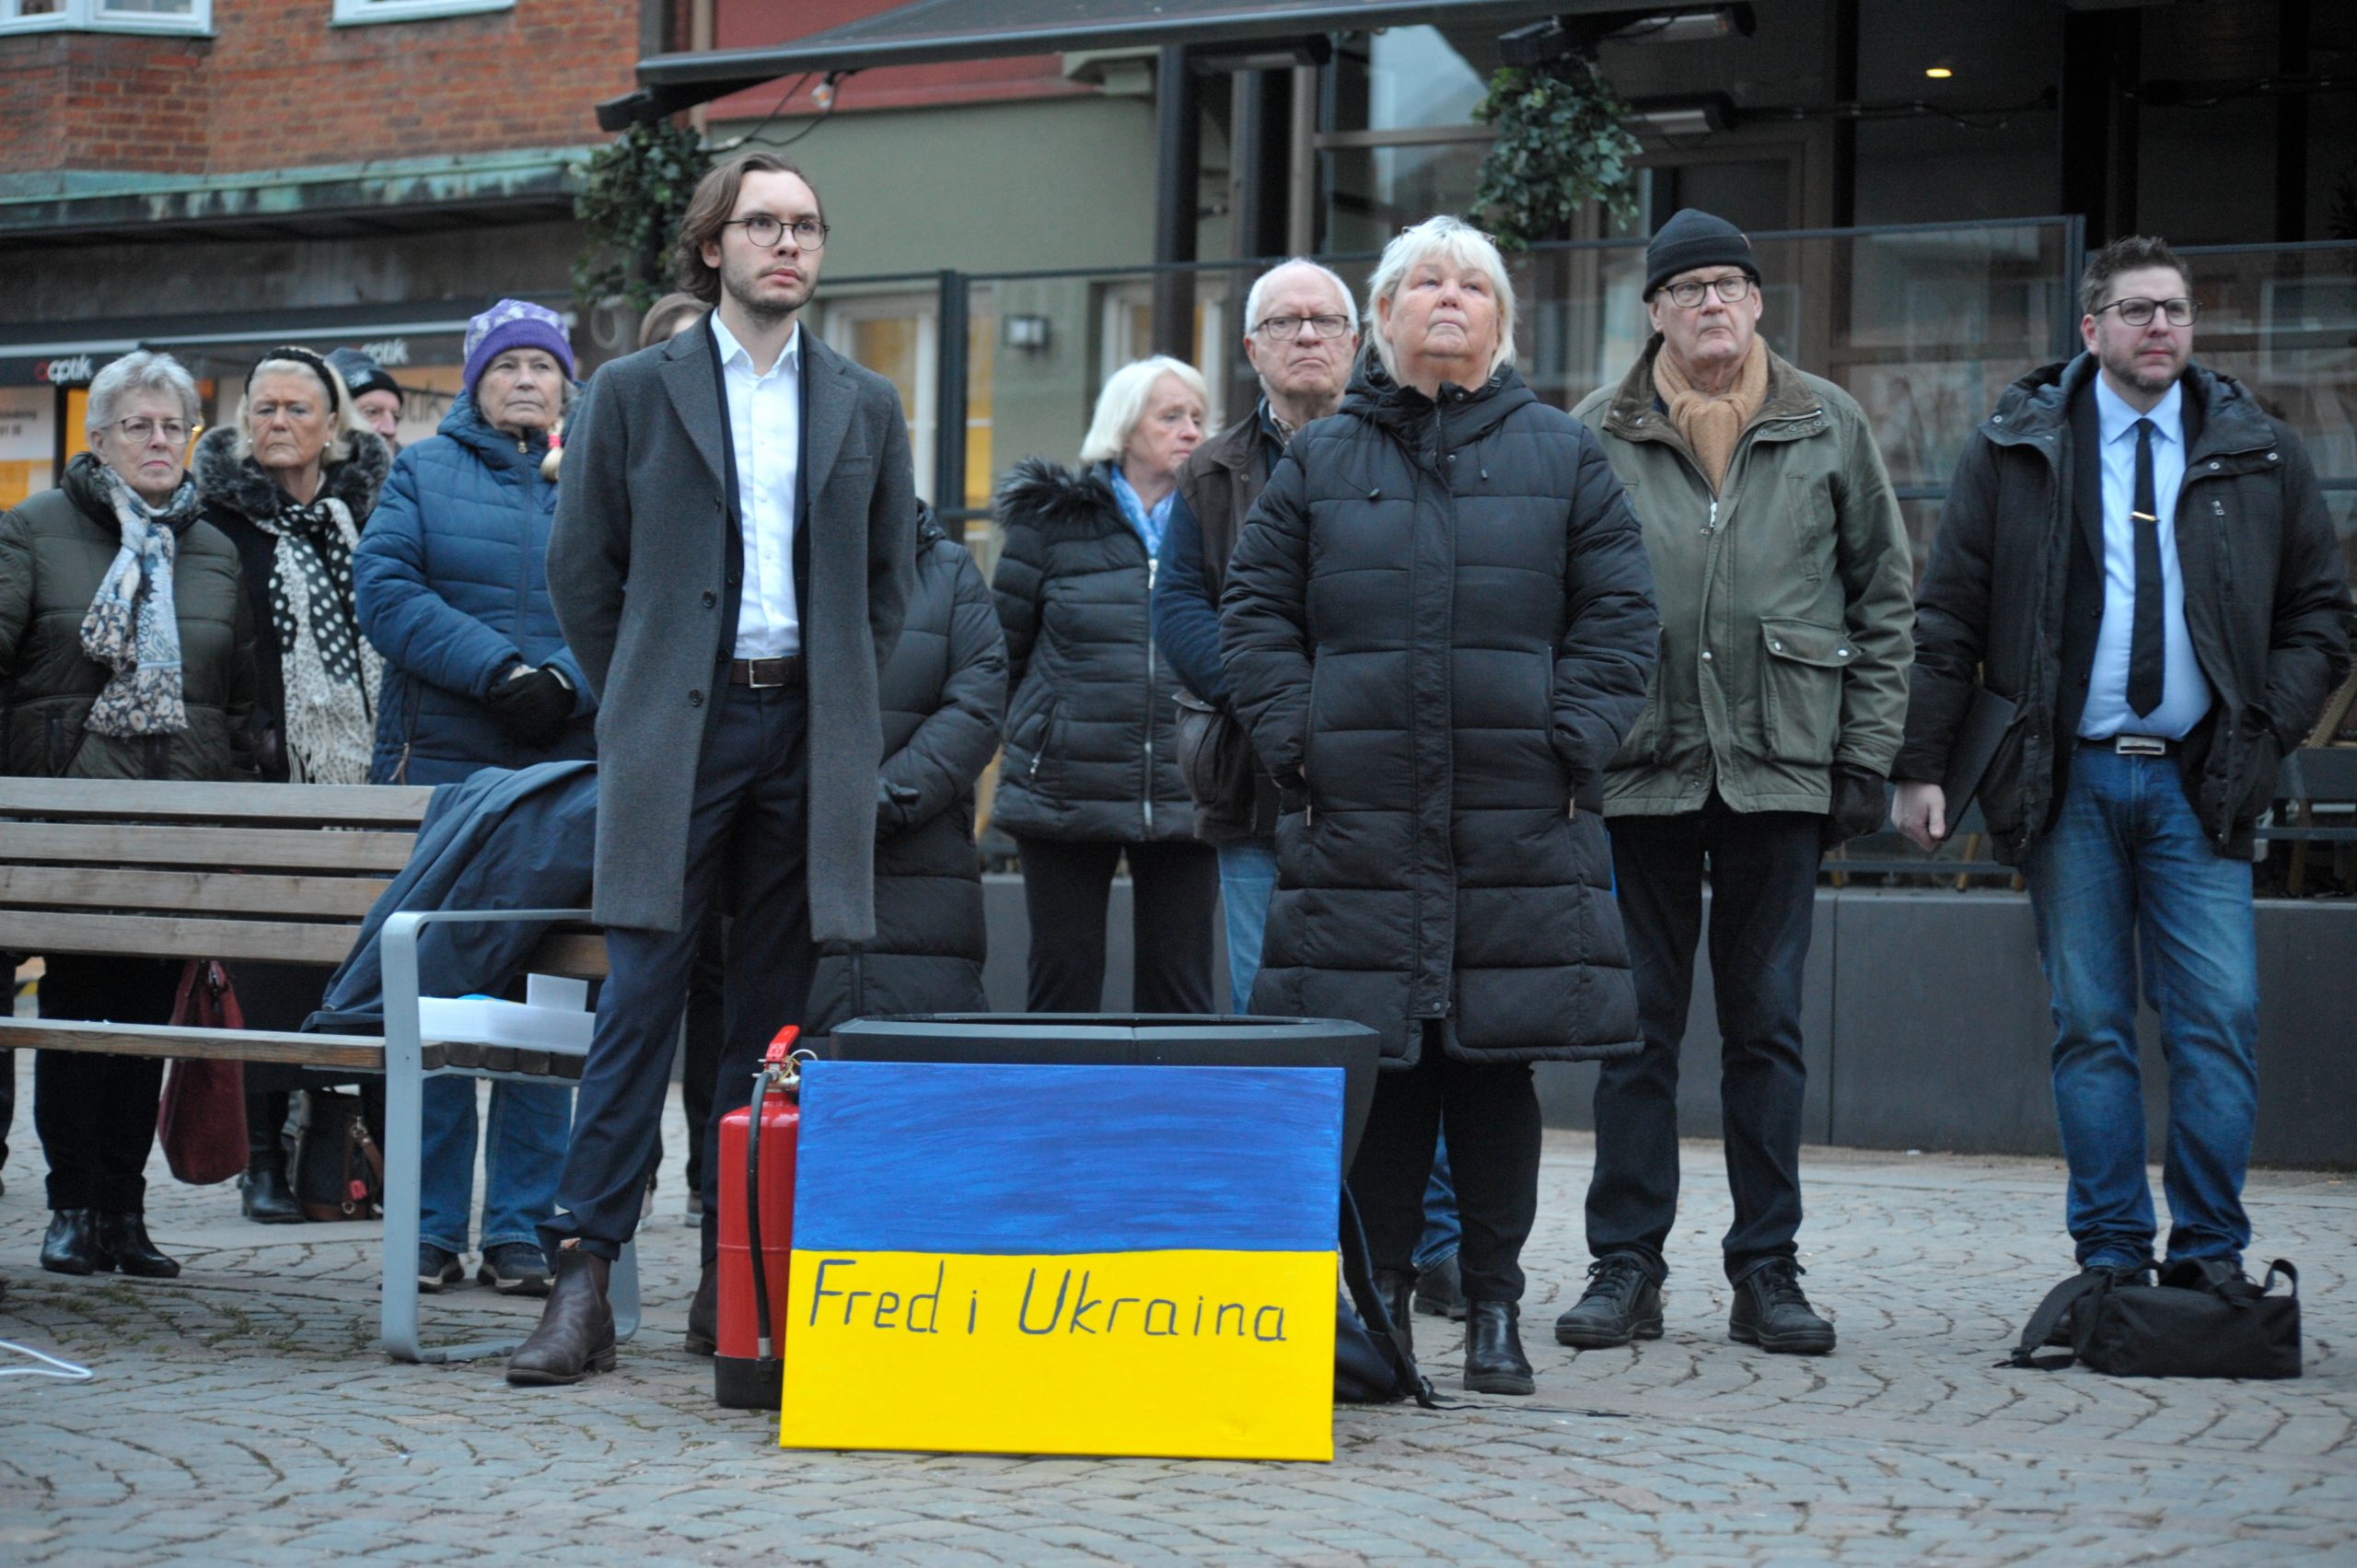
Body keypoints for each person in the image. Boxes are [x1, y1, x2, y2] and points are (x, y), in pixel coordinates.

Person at [1221, 215, 1658, 1394]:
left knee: (1492, 1068)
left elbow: (1621, 619)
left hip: (1518, 820)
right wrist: (1299, 741)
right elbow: (1252, 614)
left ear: (1502, 318)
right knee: (1385, 1073)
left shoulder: (1563, 453)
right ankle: (1379, 1315)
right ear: (1386, 314)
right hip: (1360, 818)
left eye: (1473, 282)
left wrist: (1567, 740)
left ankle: (1497, 1310)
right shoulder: (1320, 461)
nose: (1449, 298)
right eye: (1426, 281)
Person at [516, 151, 915, 1385]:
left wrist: (838, 690)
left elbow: (890, 584)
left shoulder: (864, 400)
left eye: (806, 224)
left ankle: (733, 1287)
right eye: (762, 225)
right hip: (678, 732)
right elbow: (583, 574)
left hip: (806, 728)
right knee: (639, 997)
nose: (787, 245)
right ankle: (582, 1275)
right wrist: (645, 684)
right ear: (712, 246)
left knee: (773, 1021)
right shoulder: (636, 391)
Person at [1893, 236, 2351, 1293]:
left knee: (2218, 1022)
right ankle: (2108, 1256)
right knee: (2089, 1023)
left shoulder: (2258, 451)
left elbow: (2321, 618)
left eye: (2177, 312)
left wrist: (2260, 729)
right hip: (2072, 782)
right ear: (2089, 328)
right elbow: (1949, 613)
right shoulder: (2016, 448)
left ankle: (2208, 1258)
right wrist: (1923, 764)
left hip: (2207, 783)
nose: (2162, 329)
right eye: (2139, 311)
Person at [1555, 210, 1915, 1358]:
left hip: (1780, 769)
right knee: (1635, 1032)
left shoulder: (1828, 422)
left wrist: (1862, 754)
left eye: (1732, 283)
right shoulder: (1589, 435)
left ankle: (1768, 1269)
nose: (1714, 302)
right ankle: (1626, 1265)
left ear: (1759, 304)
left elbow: (1884, 600)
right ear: (1653, 309)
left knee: (1765, 1030)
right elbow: (1551, 609)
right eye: (1690, 286)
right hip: (1639, 773)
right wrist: (1572, 746)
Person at [1149, 257, 1469, 1319]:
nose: (1305, 338)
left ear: (1358, 335)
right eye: (1280, 323)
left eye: (1324, 320)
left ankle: (1430, 1242)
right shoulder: (1210, 473)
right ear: (1250, 349)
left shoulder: (1413, 443)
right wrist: (1291, 704)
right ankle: (1291, 1241)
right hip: (1257, 788)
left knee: (1406, 1012)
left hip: (1393, 793)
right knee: (1273, 1017)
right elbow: (1184, 617)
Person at [354, 298, 597, 1299]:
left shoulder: (599, 473)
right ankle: (423, 1226)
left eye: (544, 364)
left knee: (548, 1006)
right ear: (474, 380)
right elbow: (388, 589)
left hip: (564, 775)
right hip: (443, 768)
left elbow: (650, 600)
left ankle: (524, 1230)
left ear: (567, 383)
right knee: (439, 1004)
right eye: (508, 365)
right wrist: (501, 672)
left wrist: (570, 682)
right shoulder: (419, 471)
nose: (527, 379)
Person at [0, 351, 257, 1278]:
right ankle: (71, 1204)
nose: (159, 441)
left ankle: (122, 1207)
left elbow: (236, 700)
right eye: (138, 425)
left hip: (175, 812)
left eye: (172, 426)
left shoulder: (214, 548)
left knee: (149, 1011)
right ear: (97, 437)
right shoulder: (34, 528)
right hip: (70, 813)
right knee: (78, 1008)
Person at [193, 345, 392, 1224]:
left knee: (361, 964)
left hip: (366, 775)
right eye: (263, 408)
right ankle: (262, 1159)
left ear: (333, 425)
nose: (277, 422)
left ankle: (348, 1158)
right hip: (264, 773)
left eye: (296, 409)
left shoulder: (371, 516)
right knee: (266, 971)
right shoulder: (215, 522)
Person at [992, 356, 1218, 1015]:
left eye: (1198, 418)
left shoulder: (1220, 522)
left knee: (1181, 987)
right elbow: (1000, 652)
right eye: (1171, 415)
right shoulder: (1052, 521)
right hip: (1061, 782)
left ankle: (1168, 1117)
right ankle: (1058, 1119)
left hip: (1187, 784)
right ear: (1124, 427)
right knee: (1063, 977)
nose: (1190, 431)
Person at [807, 501, 1006, 1032]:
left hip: (924, 857)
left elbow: (977, 704)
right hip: (795, 851)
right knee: (788, 1081)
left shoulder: (948, 568)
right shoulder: (770, 570)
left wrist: (886, 797)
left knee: (922, 1071)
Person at [329, 347, 405, 456]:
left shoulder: (412, 470)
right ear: (331, 422)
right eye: (372, 412)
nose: (390, 430)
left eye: (395, 417)